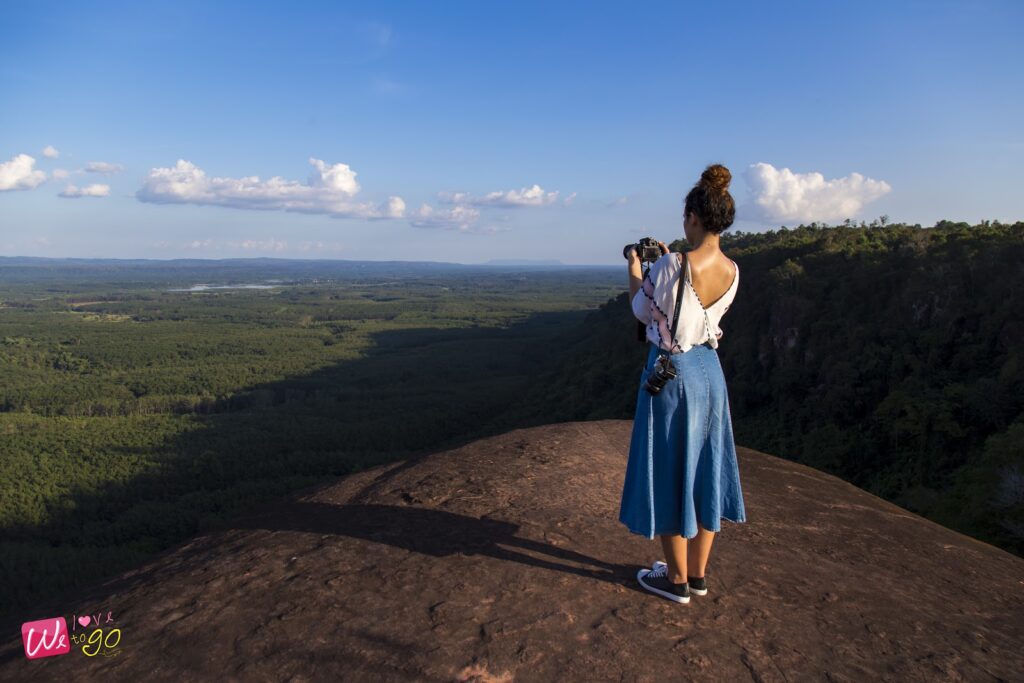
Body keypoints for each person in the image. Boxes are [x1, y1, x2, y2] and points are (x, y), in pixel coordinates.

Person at [619, 163, 747, 604]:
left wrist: (636, 267)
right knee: (706, 470)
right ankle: (698, 574)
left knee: (671, 471)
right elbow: (698, 313)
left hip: (671, 376)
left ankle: (674, 581)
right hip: (710, 374)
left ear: (693, 216)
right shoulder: (732, 269)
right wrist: (671, 261)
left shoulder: (672, 266)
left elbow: (641, 308)